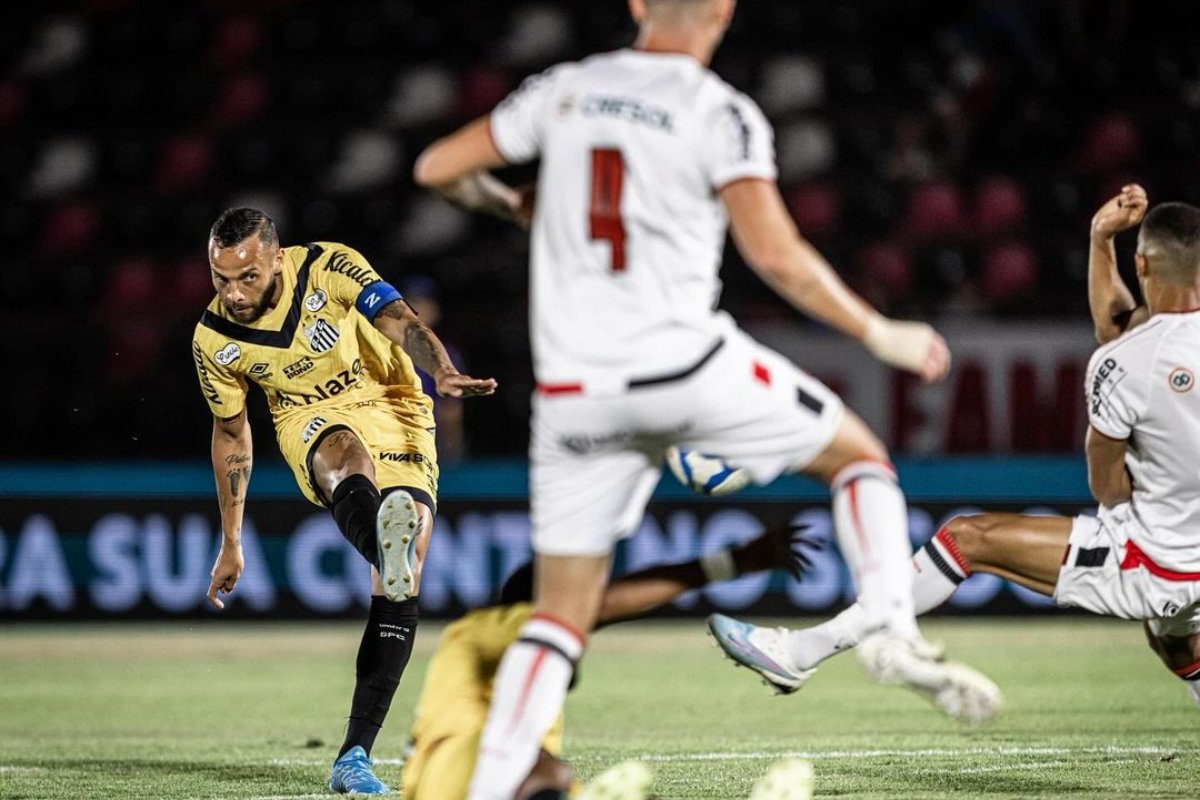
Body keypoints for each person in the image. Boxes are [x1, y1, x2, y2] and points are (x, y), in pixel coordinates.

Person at [413, 0, 1001, 796]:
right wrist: (877, 331)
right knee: (858, 458)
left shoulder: (565, 89)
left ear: (636, 5)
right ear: (723, 11)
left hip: (574, 395)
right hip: (685, 367)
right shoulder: (720, 111)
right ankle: (890, 627)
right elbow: (778, 256)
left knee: (557, 616)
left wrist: (510, 201)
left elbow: (435, 168)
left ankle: (487, 789)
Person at [710, 187, 1200, 710]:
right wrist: (1100, 239)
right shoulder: (1139, 350)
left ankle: (799, 651)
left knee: (966, 539)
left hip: (1157, 560)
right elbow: (1120, 329)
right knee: (1173, 640)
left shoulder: (1122, 363)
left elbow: (1107, 488)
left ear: (1140, 264)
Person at [191, 208, 496, 795]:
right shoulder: (215, 339)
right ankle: (384, 544)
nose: (233, 294)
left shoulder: (329, 266)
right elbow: (231, 435)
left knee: (403, 574)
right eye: (220, 279)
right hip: (309, 417)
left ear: (277, 258)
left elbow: (399, 320)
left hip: (395, 402)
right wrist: (231, 540)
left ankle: (353, 755)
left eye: (247, 277)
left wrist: (442, 370)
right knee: (345, 456)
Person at [401, 521, 815, 800]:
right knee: (546, 769)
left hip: (457, 780)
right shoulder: (480, 629)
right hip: (467, 774)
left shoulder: (514, 671)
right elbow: (596, 607)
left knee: (556, 775)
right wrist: (730, 563)